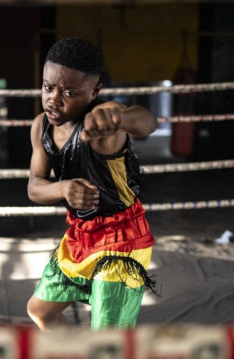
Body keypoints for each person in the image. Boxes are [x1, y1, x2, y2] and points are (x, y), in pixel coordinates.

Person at [26, 37, 158, 331]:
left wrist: (120, 116)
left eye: (69, 92)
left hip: (121, 243)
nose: (54, 99)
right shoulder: (41, 126)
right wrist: (63, 188)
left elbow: (146, 121)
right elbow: (34, 186)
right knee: (40, 311)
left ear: (95, 91)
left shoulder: (101, 122)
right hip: (80, 236)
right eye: (48, 87)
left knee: (108, 340)